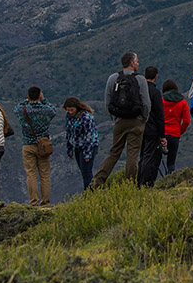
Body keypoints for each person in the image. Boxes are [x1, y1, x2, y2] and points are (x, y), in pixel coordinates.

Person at [91, 51, 151, 188]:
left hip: (119, 122)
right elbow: (146, 103)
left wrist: (115, 118)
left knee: (114, 152)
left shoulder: (113, 78)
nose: (138, 64)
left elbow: (108, 101)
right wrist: (143, 119)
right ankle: (130, 185)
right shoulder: (140, 79)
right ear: (131, 63)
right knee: (132, 155)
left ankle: (97, 182)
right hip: (137, 121)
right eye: (136, 61)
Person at [14, 86, 57, 206]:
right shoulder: (46, 110)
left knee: (31, 174)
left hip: (28, 145)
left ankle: (34, 201)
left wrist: (26, 101)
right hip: (43, 145)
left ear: (28, 97)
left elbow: (15, 108)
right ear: (40, 96)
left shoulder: (22, 110)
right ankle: (46, 201)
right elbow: (54, 110)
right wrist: (43, 100)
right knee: (45, 174)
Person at [137, 65, 166, 186]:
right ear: (156, 76)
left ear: (144, 75)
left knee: (142, 156)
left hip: (138, 128)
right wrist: (162, 135)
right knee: (149, 157)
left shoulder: (138, 91)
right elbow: (160, 115)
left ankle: (139, 180)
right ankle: (145, 183)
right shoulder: (155, 92)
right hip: (152, 129)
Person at [62, 97, 99, 190]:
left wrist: (87, 154)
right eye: (68, 110)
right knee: (83, 172)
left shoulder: (86, 117)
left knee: (87, 172)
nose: (70, 112)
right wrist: (69, 150)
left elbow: (89, 135)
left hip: (88, 146)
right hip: (77, 146)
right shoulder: (69, 117)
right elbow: (69, 133)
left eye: (72, 110)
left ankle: (90, 195)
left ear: (77, 107)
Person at [161, 79, 191, 174]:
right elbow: (186, 121)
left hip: (161, 134)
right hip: (174, 134)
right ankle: (171, 180)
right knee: (171, 162)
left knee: (155, 160)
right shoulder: (182, 102)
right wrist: (179, 131)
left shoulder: (161, 100)